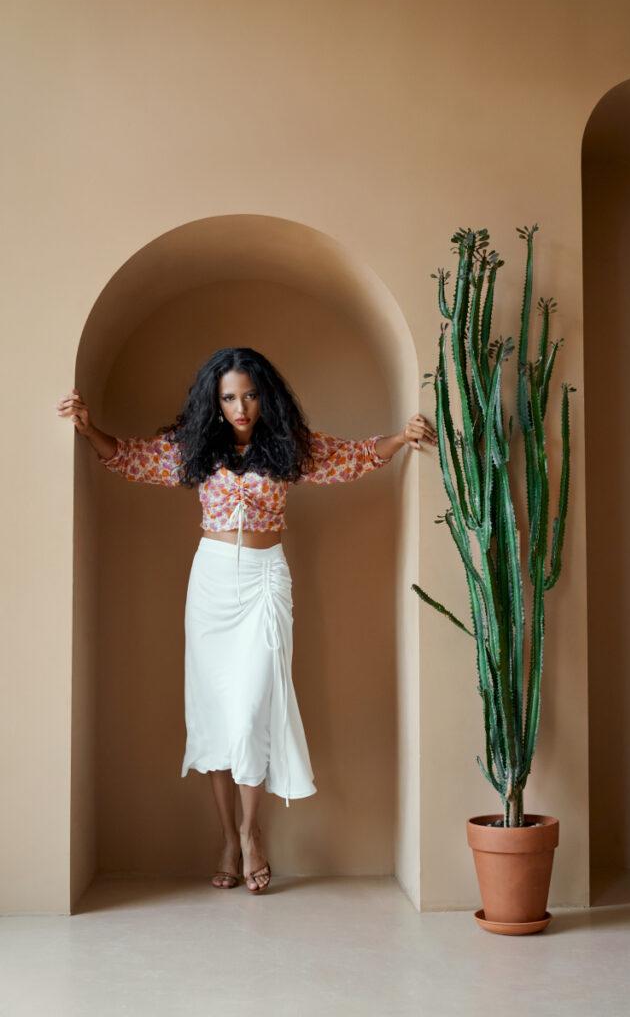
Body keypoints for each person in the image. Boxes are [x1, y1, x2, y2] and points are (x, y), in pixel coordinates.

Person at [56, 347, 437, 893]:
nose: (241, 407)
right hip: (211, 583)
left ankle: (251, 830)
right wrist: (90, 428)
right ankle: (228, 841)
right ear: (216, 401)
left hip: (265, 580)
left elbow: (352, 456)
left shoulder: (287, 447)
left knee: (255, 705)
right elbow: (130, 457)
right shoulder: (196, 449)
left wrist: (400, 438)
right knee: (214, 711)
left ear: (265, 397)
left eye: (250, 396)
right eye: (230, 397)